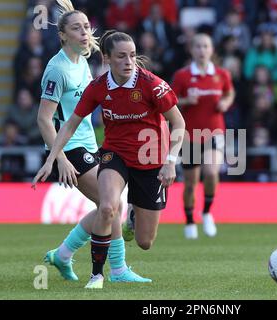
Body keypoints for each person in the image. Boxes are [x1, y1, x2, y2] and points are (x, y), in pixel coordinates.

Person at [33, 30, 185, 289]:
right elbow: (70, 124)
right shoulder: (99, 87)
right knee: (107, 207)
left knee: (145, 242)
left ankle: (134, 214)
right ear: (107, 58)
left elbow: (179, 123)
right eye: (122, 56)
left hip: (150, 160)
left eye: (133, 56)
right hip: (114, 155)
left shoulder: (153, 85)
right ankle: (97, 275)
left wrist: (170, 161)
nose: (129, 62)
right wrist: (52, 158)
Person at [33, 0, 142, 289]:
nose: (84, 33)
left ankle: (63, 254)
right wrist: (60, 160)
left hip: (91, 144)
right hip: (69, 149)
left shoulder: (81, 58)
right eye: (76, 28)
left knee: (106, 205)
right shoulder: (57, 70)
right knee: (112, 204)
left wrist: (74, 13)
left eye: (86, 27)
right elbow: (44, 119)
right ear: (62, 35)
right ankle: (116, 268)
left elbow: (100, 45)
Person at [171, 33, 235, 239]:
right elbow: (171, 102)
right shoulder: (182, 76)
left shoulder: (221, 74)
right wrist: (187, 100)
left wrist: (226, 102)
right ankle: (190, 220)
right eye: (198, 46)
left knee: (211, 172)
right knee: (190, 183)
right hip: (190, 136)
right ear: (192, 50)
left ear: (212, 50)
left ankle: (207, 212)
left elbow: (229, 92)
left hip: (214, 131)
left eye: (205, 46)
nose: (202, 50)